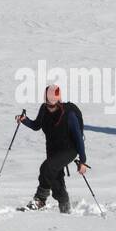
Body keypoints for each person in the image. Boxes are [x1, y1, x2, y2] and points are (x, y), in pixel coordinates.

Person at [16, 84, 87, 213]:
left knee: (46, 168)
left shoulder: (69, 115)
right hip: (53, 148)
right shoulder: (44, 109)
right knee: (55, 175)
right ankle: (64, 207)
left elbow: (78, 139)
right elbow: (37, 125)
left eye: (53, 105)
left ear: (59, 102)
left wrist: (82, 161)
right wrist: (24, 120)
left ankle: (40, 199)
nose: (50, 108)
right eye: (48, 104)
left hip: (69, 149)